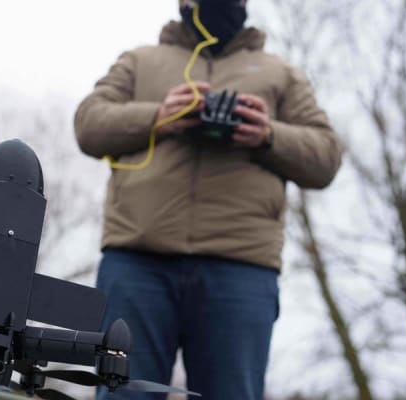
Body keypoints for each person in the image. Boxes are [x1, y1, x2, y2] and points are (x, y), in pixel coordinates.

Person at [73, 0, 343, 399]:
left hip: (240, 267)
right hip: (137, 261)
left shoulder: (281, 73)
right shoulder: (140, 61)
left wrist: (268, 134)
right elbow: (88, 123)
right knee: (121, 392)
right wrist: (160, 115)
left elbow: (326, 157)